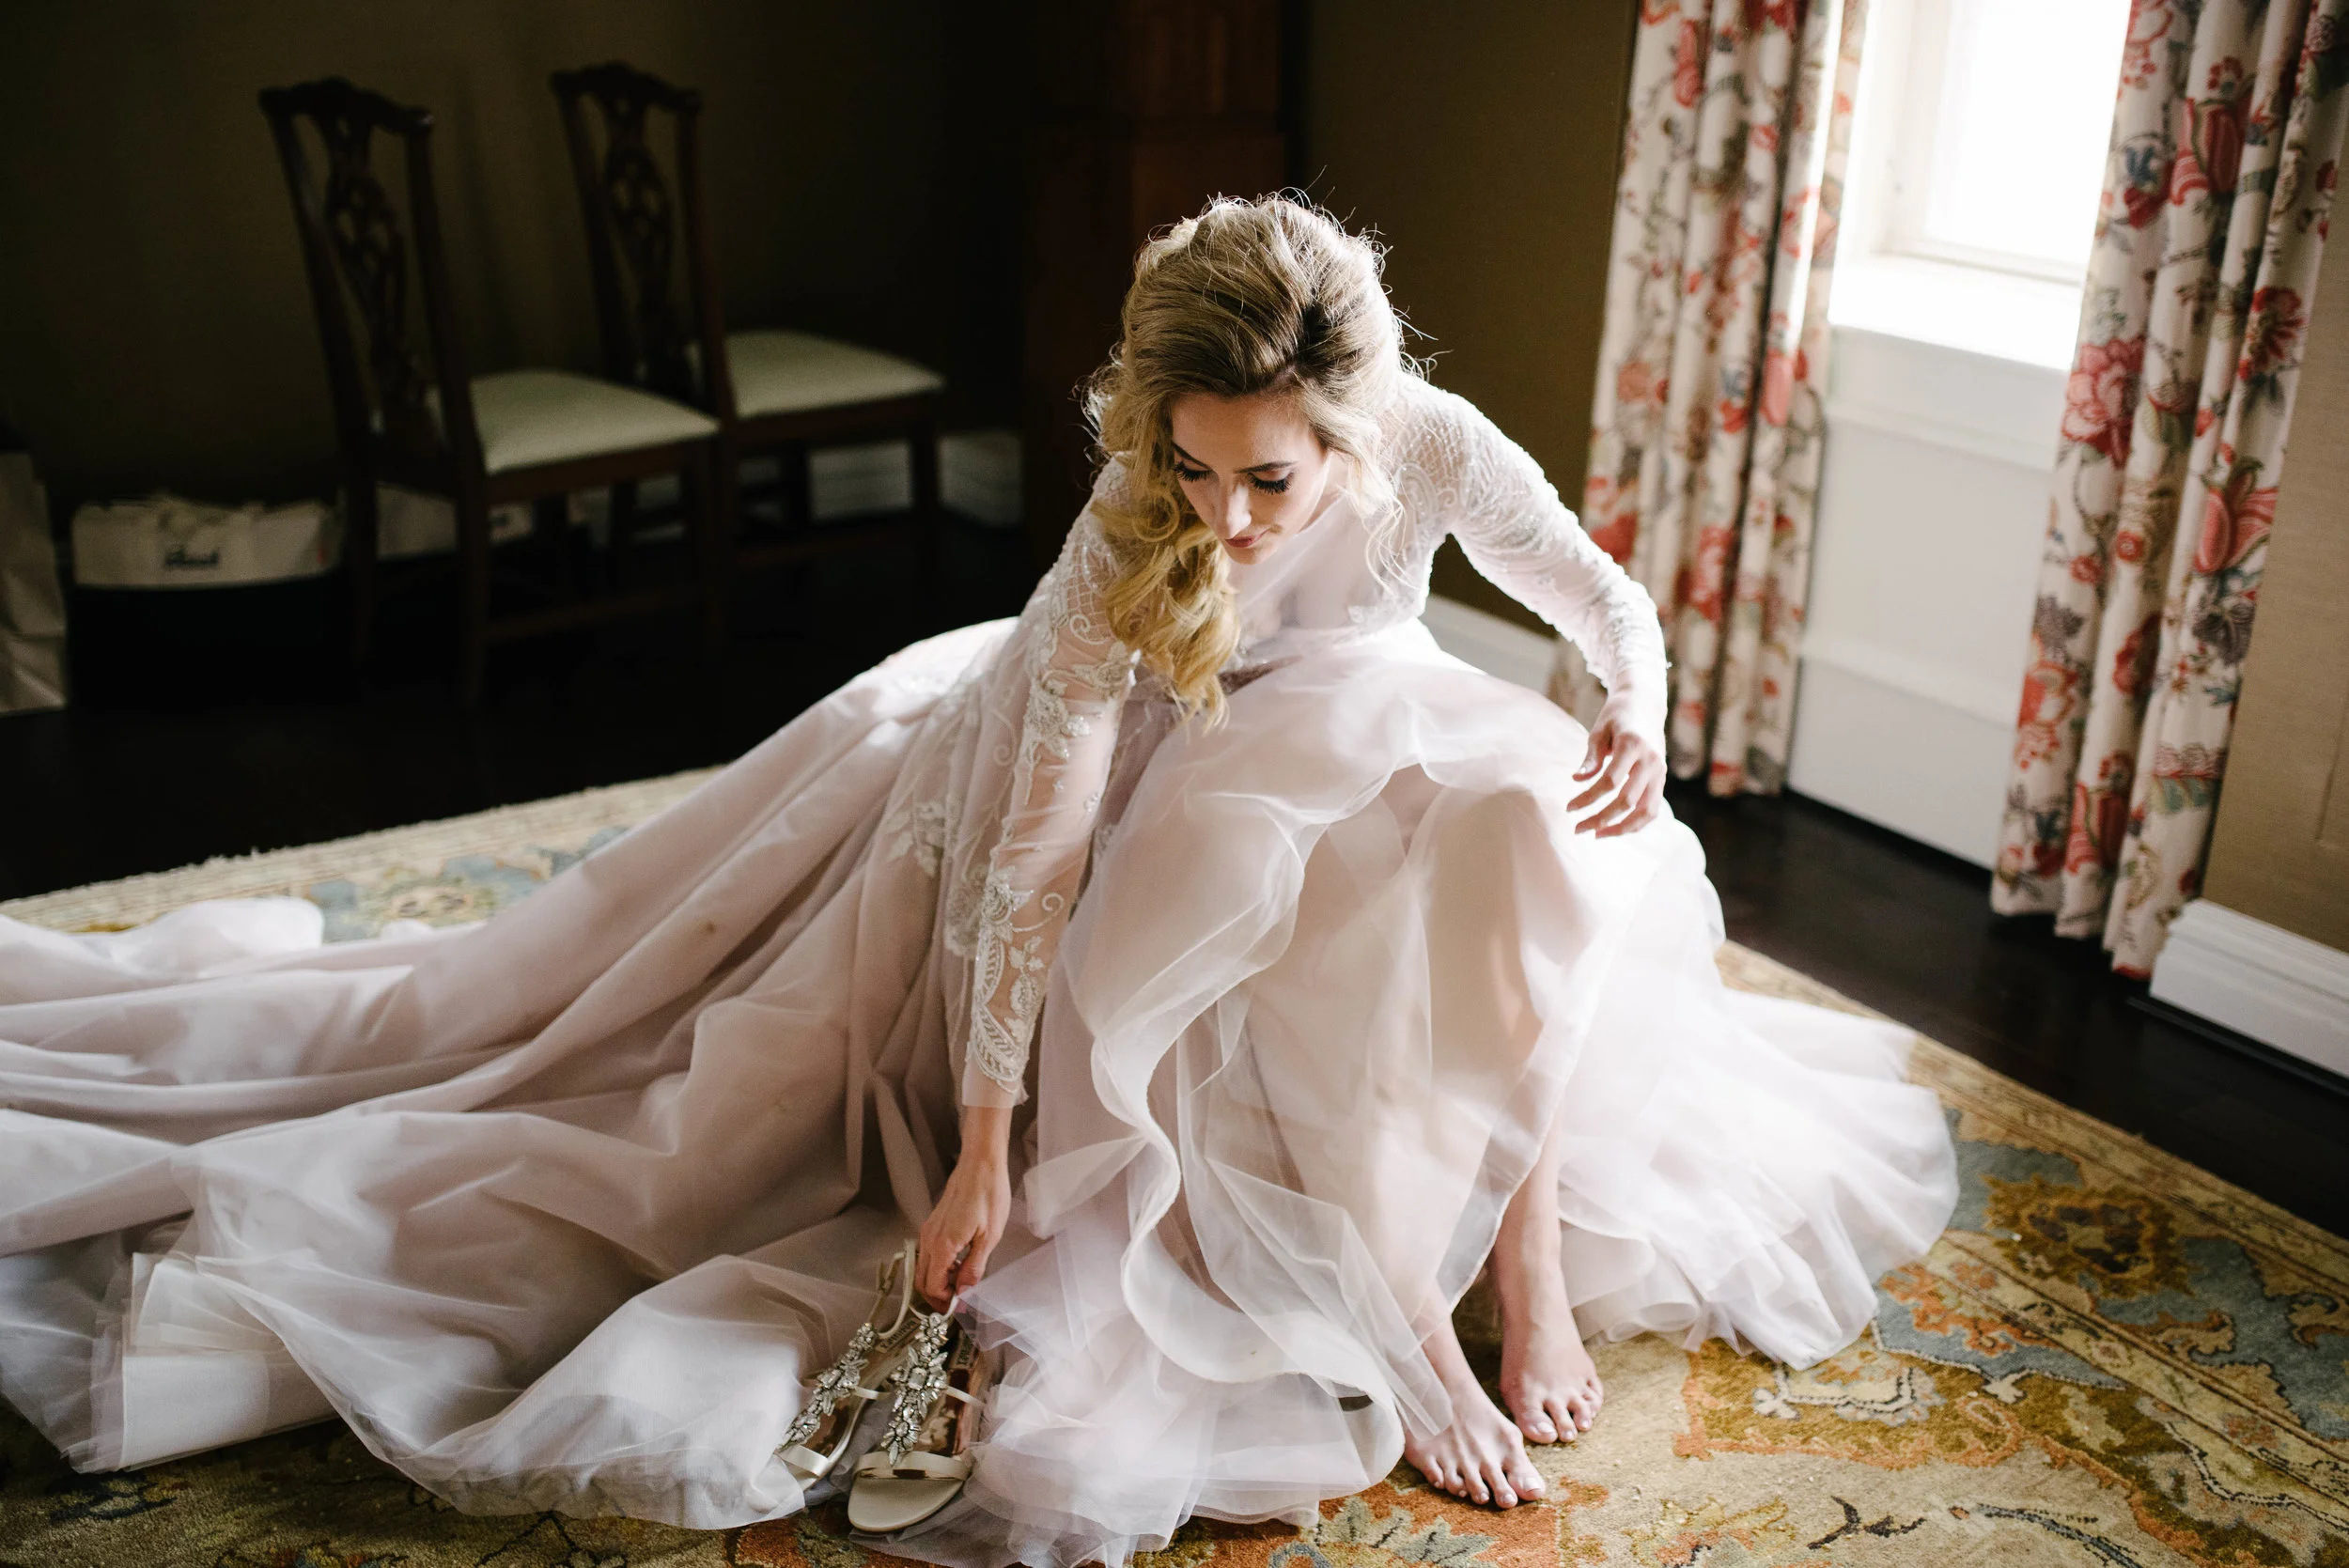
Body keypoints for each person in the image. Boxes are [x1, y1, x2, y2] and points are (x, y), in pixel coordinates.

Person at [0, 196, 1957, 1568]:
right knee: (1242, 874)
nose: (1227, 517)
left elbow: (1605, 604)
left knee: (1531, 818)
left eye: (1273, 482)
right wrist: (987, 1142)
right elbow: (1035, 851)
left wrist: (1634, 712)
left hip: (1366, 733)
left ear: (1356, 435)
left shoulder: (1430, 445)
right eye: (1194, 471)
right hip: (1134, 763)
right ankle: (1408, 1319)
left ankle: (1511, 1264)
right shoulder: (1132, 531)